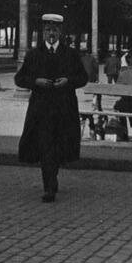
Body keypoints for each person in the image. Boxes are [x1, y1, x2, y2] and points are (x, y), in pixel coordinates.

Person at [15, 13, 89, 202]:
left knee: (58, 147)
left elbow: (83, 78)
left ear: (60, 32)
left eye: (54, 30)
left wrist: (68, 81)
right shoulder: (34, 54)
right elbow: (19, 79)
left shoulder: (71, 54)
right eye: (48, 30)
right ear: (42, 32)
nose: (51, 34)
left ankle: (52, 178)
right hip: (42, 110)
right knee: (45, 146)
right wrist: (36, 81)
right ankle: (49, 186)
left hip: (64, 109)